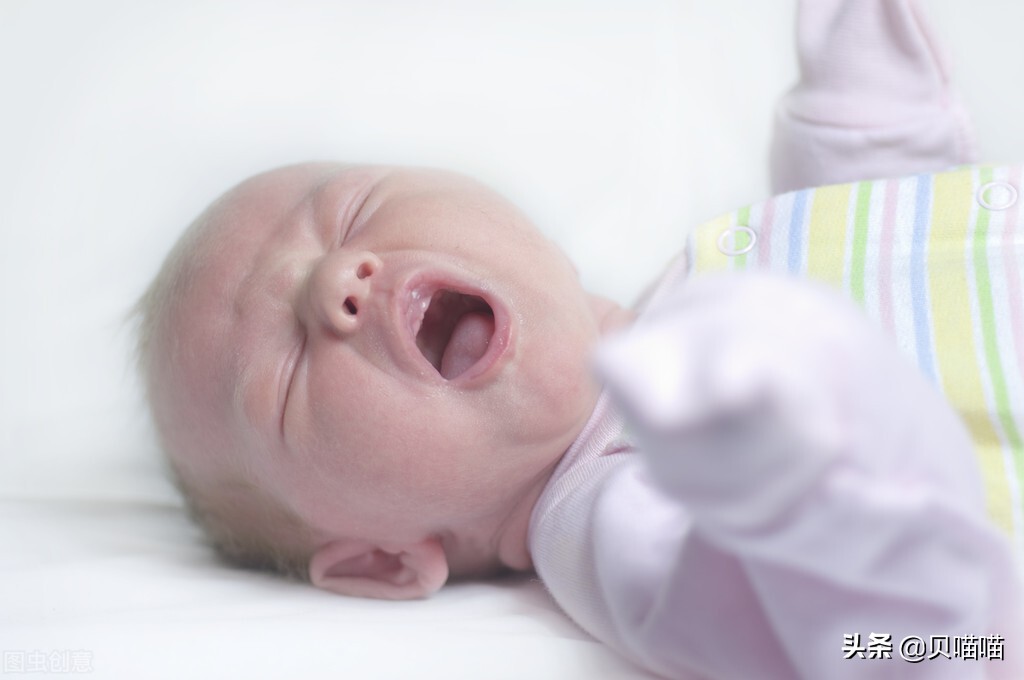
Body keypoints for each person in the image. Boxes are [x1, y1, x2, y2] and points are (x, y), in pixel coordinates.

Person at [134, 0, 1023, 677]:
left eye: (347, 214)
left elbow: (893, 257)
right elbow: (907, 641)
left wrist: (858, 116)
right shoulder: (615, 520)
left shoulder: (701, 291)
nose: (338, 281)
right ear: (383, 556)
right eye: (285, 374)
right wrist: (793, 478)